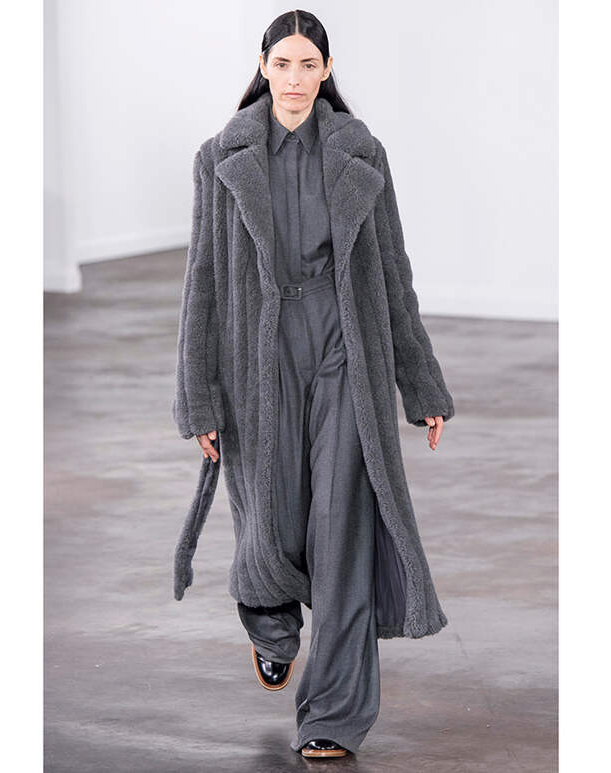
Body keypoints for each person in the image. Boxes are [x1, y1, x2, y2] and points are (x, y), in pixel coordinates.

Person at [172, 9, 455, 760]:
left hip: (346, 354)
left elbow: (391, 272)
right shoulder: (220, 158)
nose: (295, 79)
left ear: (327, 70)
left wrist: (420, 383)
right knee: (272, 520)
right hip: (257, 362)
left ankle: (332, 713)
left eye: (308, 65)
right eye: (282, 64)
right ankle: (270, 622)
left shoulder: (361, 152)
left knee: (342, 531)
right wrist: (198, 396)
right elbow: (202, 281)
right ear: (262, 66)